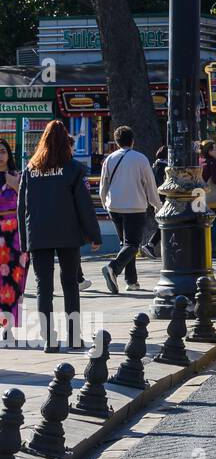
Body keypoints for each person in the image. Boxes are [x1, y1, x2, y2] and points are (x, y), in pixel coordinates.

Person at [16, 121, 101, 351]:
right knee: (70, 284)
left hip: (39, 234)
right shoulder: (73, 169)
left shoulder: (31, 169)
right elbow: (84, 205)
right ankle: (74, 337)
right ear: (66, 142)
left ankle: (49, 340)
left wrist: (25, 240)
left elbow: (21, 207)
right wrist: (94, 235)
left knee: (44, 288)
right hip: (67, 234)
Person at [99, 125, 160, 293]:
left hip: (115, 206)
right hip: (134, 206)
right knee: (132, 244)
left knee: (125, 244)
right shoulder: (140, 159)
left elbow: (104, 184)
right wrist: (157, 204)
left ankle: (131, 281)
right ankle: (113, 267)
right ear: (132, 140)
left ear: (117, 142)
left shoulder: (109, 159)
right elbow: (150, 184)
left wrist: (105, 202)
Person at [0, 139, 29, 343]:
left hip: (15, 235)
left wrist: (15, 186)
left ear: (9, 154)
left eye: (2, 151)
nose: (0, 155)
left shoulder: (18, 176)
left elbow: (29, 204)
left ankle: (7, 326)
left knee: (13, 281)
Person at [141, 145, 167, 257]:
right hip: (164, 200)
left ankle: (152, 245)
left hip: (154, 199)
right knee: (165, 224)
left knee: (163, 224)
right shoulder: (166, 168)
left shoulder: (153, 167)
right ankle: (150, 244)